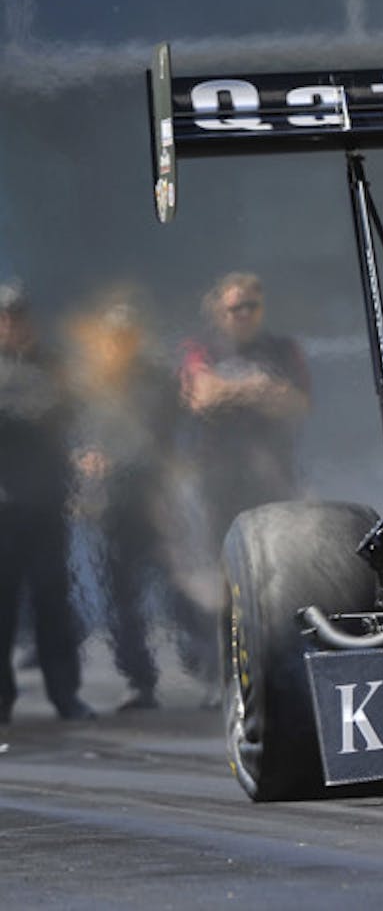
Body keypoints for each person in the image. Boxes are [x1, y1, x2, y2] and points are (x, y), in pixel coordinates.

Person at [66, 291, 181, 710]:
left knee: (179, 588)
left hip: (153, 497)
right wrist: (81, 457)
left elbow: (165, 440)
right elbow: (74, 434)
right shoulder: (91, 384)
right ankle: (140, 679)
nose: (120, 343)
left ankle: (208, 669)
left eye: (126, 335)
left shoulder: (157, 380)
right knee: (120, 594)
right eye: (114, 336)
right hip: (110, 504)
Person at [0, 281, 94, 722]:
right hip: (3, 507)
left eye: (16, 317)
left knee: (53, 601)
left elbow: (74, 413)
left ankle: (65, 695)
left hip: (46, 503)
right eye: (4, 317)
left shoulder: (53, 364)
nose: (10, 325)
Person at [179, 271, 310, 584]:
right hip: (219, 476)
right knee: (225, 566)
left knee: (279, 564)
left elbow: (298, 403)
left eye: (252, 306)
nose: (245, 314)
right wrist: (258, 388)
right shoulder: (200, 348)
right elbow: (202, 397)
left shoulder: (283, 349)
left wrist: (230, 392)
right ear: (219, 311)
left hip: (274, 472)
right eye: (236, 308)